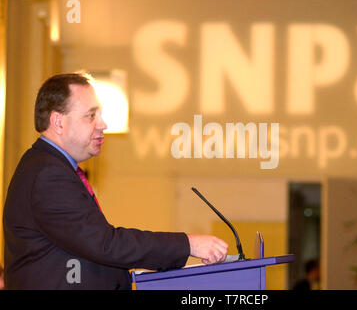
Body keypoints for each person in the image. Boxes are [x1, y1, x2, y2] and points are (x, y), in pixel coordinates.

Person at [2, 73, 228, 289]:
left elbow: (88, 252)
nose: (103, 125)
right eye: (91, 116)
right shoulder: (48, 174)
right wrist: (189, 244)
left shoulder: (49, 167)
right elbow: (105, 244)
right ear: (58, 122)